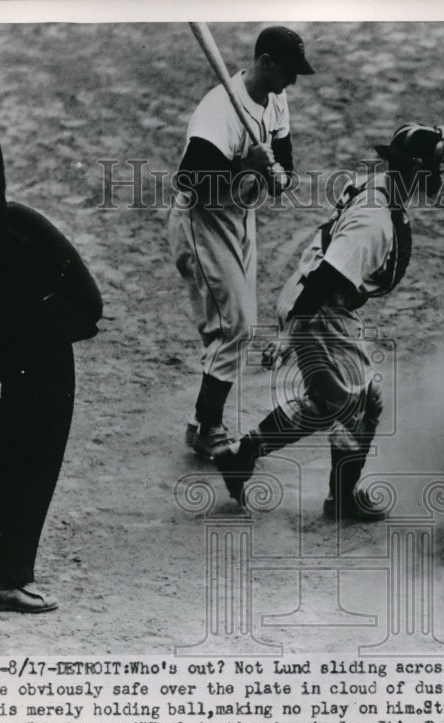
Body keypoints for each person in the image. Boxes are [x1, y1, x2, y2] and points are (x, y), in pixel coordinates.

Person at [215, 122, 444, 520]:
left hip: (317, 300)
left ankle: (245, 454)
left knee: (344, 401)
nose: (442, 173)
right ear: (416, 169)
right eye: (436, 165)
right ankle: (337, 499)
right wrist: (291, 333)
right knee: (354, 406)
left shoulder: (375, 184)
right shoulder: (374, 224)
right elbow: (328, 276)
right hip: (319, 307)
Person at [0, 78, 103, 613]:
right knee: (39, 458)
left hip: (13, 350)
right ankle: (9, 580)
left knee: (8, 437)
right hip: (46, 350)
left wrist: (23, 314)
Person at [169, 25, 315, 459]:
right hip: (202, 221)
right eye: (289, 71)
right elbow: (190, 182)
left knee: (233, 328)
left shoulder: (275, 97)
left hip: (239, 216)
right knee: (236, 326)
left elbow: (284, 163)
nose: (293, 80)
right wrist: (244, 167)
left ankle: (202, 421)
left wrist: (278, 176)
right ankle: (208, 427)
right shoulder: (218, 112)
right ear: (266, 62)